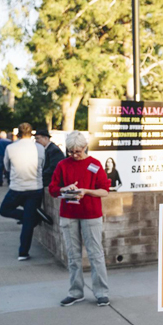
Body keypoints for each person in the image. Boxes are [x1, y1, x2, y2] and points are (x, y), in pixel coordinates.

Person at [49, 131, 111, 307]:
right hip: (69, 214)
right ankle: (75, 292)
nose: (75, 155)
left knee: (95, 254)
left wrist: (86, 191)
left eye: (78, 151)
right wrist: (64, 189)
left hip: (90, 214)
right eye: (71, 151)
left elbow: (105, 191)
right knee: (72, 255)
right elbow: (53, 189)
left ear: (85, 147)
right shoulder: (62, 165)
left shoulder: (95, 164)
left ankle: (101, 292)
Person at [0, 122, 52, 260]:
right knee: (28, 222)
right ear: (31, 133)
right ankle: (23, 253)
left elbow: (6, 166)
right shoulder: (40, 148)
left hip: (17, 187)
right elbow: (43, 164)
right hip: (35, 188)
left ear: (18, 133)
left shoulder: (11, 148)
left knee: (4, 210)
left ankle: (30, 217)